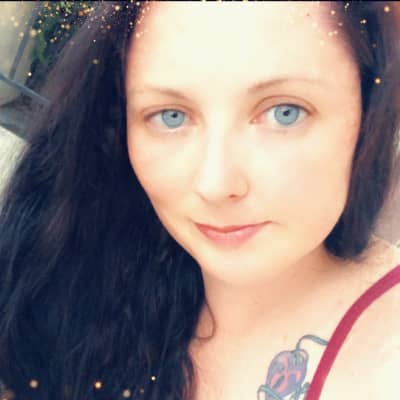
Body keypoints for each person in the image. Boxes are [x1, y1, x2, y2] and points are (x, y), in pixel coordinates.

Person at [0, 1, 400, 399]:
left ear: (368, 112)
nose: (215, 184)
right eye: (170, 116)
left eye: (285, 112)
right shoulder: (83, 275)